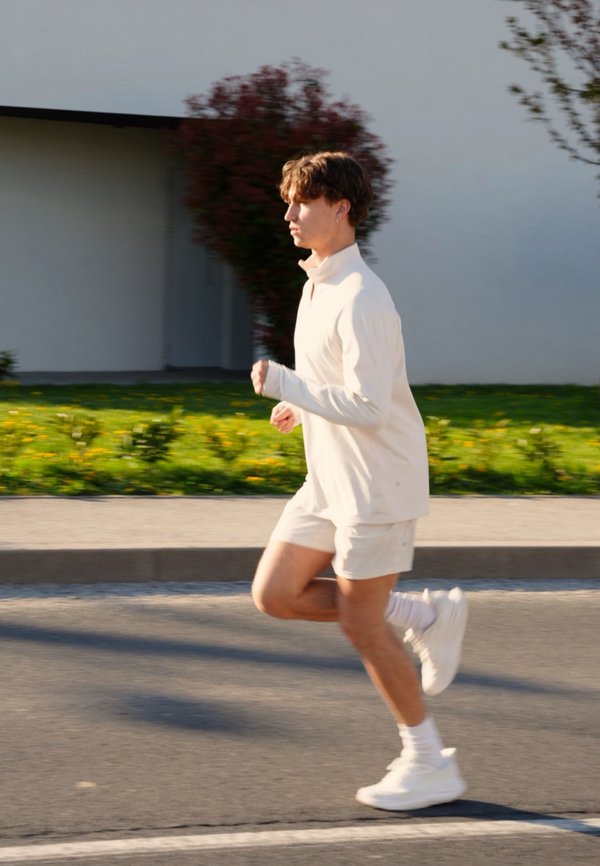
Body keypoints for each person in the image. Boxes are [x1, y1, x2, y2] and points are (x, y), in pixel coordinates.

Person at [250, 151, 468, 811]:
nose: (289, 215)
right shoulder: (318, 284)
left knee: (361, 627)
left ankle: (430, 762)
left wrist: (286, 382)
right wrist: (300, 400)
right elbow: (339, 383)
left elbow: (371, 407)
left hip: (376, 487)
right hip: (328, 481)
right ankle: (425, 614)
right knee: (275, 594)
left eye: (302, 203)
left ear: (341, 205)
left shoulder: (363, 297)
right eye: (287, 203)